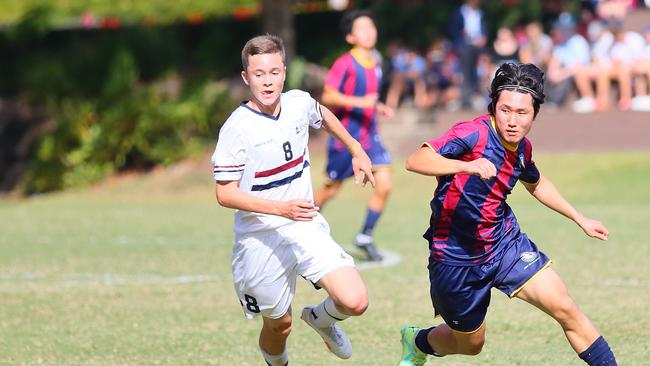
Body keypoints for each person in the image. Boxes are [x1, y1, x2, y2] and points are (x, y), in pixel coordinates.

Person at [398, 62, 617, 366]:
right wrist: (466, 165)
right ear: (494, 107)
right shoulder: (472, 134)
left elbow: (535, 183)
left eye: (522, 113)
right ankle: (418, 340)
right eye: (505, 110)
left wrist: (580, 218)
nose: (512, 120)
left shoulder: (522, 149)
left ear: (535, 115)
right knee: (470, 344)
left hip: (504, 244)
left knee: (565, 307)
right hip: (455, 257)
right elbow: (416, 160)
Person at [212, 34, 376, 366]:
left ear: (284, 72)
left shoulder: (299, 102)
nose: (267, 81)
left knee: (355, 300)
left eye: (274, 72)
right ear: (246, 77)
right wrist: (280, 208)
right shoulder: (237, 128)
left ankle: (321, 318)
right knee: (280, 325)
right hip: (259, 237)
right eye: (259, 74)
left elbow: (323, 115)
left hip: (303, 224)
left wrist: (356, 149)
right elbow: (224, 193)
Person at [314, 10, 394, 262]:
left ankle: (365, 236)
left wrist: (378, 106)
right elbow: (327, 96)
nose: (369, 32)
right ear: (350, 37)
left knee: (385, 183)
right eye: (362, 28)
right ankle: (300, 223)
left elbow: (369, 99)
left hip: (371, 137)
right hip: (346, 139)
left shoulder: (376, 64)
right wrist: (361, 102)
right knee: (331, 189)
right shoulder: (345, 63)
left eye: (371, 27)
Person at [448, 0, 488, 110]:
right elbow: (453, 30)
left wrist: (483, 37)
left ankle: (475, 95)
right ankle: (465, 97)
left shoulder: (480, 13)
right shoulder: (459, 12)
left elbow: (483, 29)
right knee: (464, 71)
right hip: (464, 46)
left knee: (476, 70)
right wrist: (461, 34)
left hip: (477, 46)